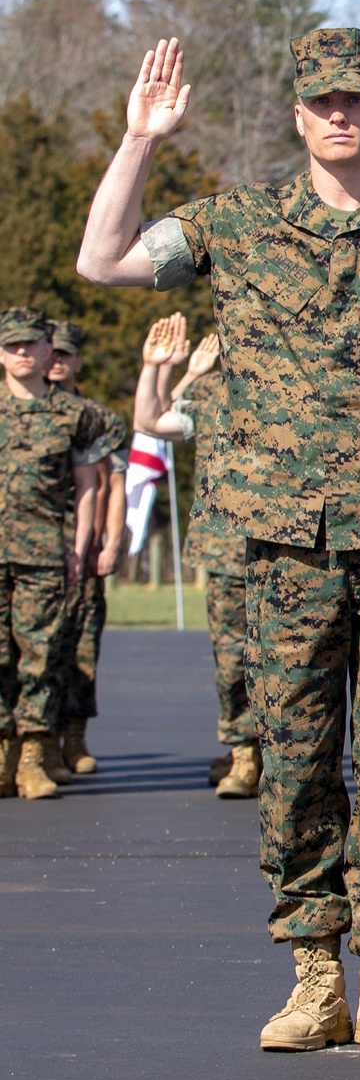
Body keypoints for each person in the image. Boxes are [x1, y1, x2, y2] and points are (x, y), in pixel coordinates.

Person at [78, 30, 360, 1052]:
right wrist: (139, 140)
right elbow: (102, 261)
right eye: (321, 101)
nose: (339, 115)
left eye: (357, 99)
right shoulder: (237, 223)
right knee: (298, 765)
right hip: (279, 546)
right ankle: (315, 977)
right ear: (297, 115)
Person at [133, 312, 261, 797]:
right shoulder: (210, 394)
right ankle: (244, 754)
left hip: (300, 549)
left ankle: (291, 760)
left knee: (300, 665)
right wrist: (157, 367)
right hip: (229, 549)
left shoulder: (307, 379)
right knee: (232, 661)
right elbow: (150, 420)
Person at [0, 308, 114, 799]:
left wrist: (80, 546)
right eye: (12, 345)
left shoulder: (75, 415)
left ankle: (33, 755)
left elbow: (89, 486)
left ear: (50, 351)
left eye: (32, 344)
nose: (23, 353)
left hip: (44, 552)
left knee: (40, 655)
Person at [47, 321, 129, 778]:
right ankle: (32, 744)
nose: (57, 361)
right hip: (32, 546)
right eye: (51, 352)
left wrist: (112, 542)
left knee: (81, 647)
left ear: (78, 360)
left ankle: (73, 737)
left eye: (65, 354)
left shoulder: (98, 419)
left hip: (84, 548)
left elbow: (114, 486)